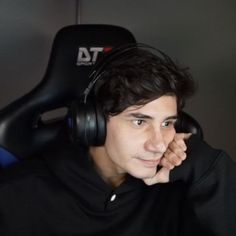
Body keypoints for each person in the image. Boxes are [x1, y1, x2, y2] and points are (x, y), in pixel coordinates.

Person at [0, 44, 235, 236]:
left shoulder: (178, 193)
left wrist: (210, 169)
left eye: (167, 123)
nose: (159, 144)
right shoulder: (15, 196)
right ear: (94, 123)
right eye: (139, 122)